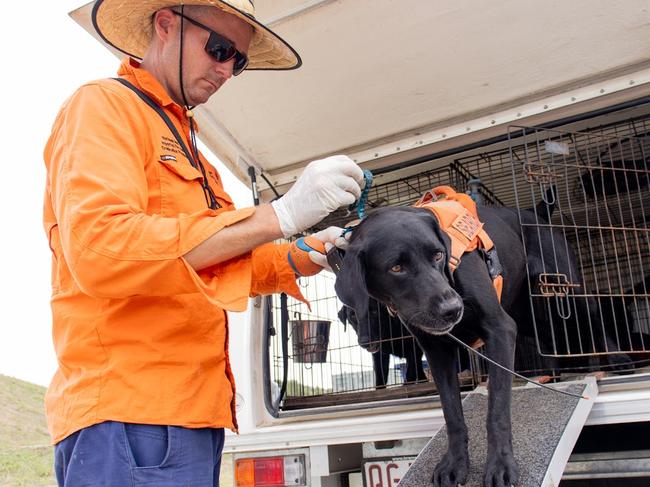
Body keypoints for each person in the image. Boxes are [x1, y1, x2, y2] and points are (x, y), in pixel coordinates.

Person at [43, 1, 363, 485]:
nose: (226, 70)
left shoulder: (190, 145)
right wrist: (279, 215)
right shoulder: (105, 106)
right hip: (131, 416)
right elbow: (100, 248)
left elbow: (214, 260)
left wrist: (303, 252)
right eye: (219, 49)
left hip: (192, 416)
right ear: (166, 24)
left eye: (239, 61)